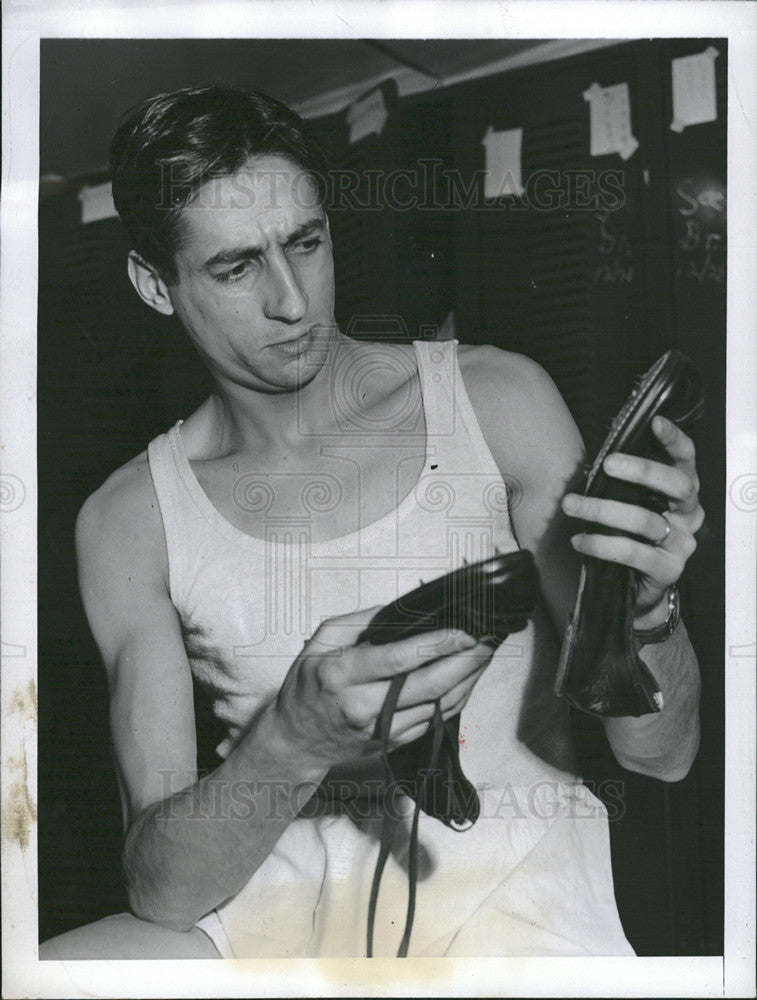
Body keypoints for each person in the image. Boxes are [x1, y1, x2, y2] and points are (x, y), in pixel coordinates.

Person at [40, 86, 704, 960]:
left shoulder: (496, 400)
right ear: (154, 284)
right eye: (237, 268)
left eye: (305, 245)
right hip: (277, 929)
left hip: (512, 919)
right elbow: (163, 891)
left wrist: (644, 611)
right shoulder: (129, 519)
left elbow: (663, 758)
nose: (291, 302)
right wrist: (289, 741)